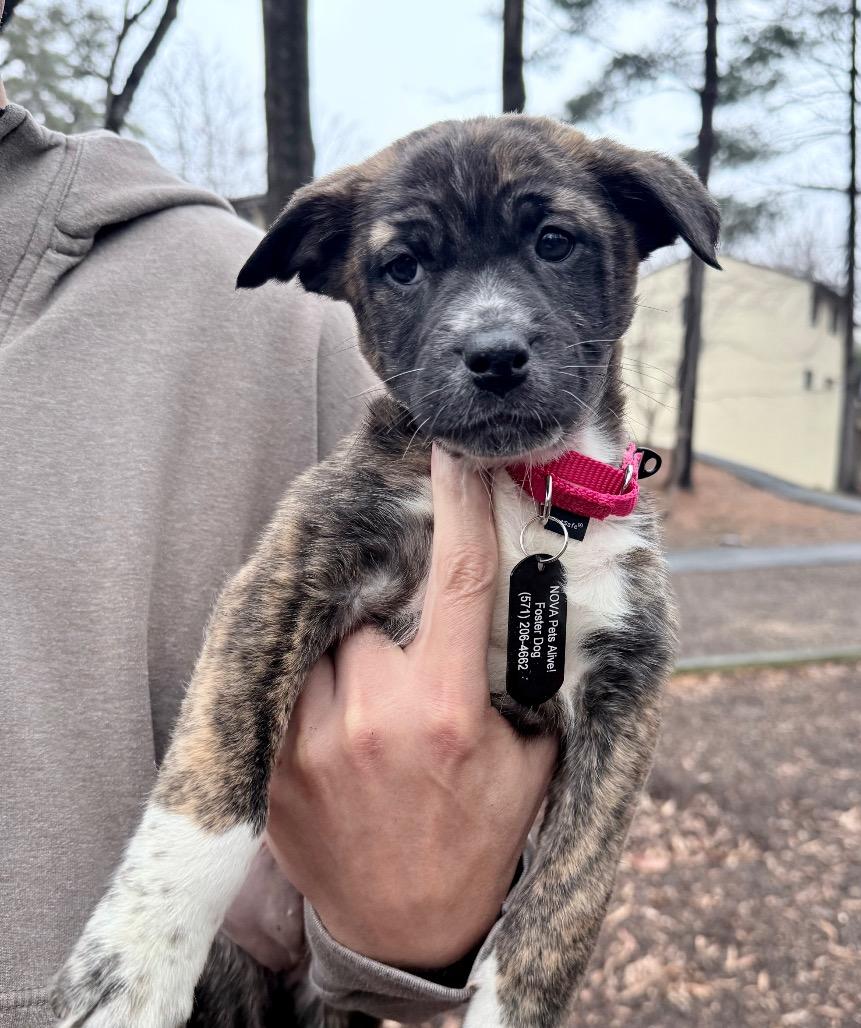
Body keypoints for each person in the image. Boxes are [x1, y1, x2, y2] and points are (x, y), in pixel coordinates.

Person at [0, 14, 556, 1025]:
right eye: (408, 268)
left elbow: (467, 784)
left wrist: (405, 930)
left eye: (554, 245)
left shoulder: (267, 330)